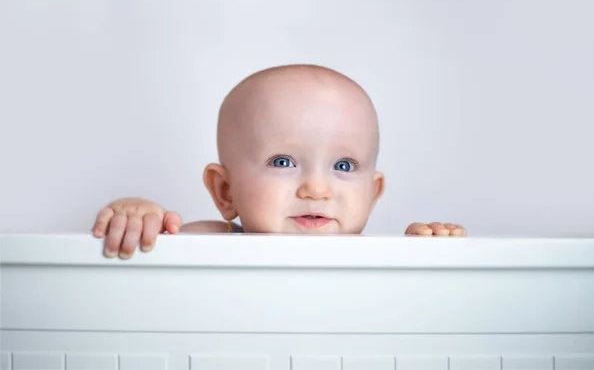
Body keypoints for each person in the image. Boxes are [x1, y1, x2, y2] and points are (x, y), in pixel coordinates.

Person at [92, 64, 465, 259]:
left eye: (345, 166)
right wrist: (140, 218)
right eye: (283, 162)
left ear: (372, 192)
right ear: (225, 191)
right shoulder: (213, 242)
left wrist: (424, 252)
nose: (316, 189)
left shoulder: (378, 255)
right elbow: (155, 252)